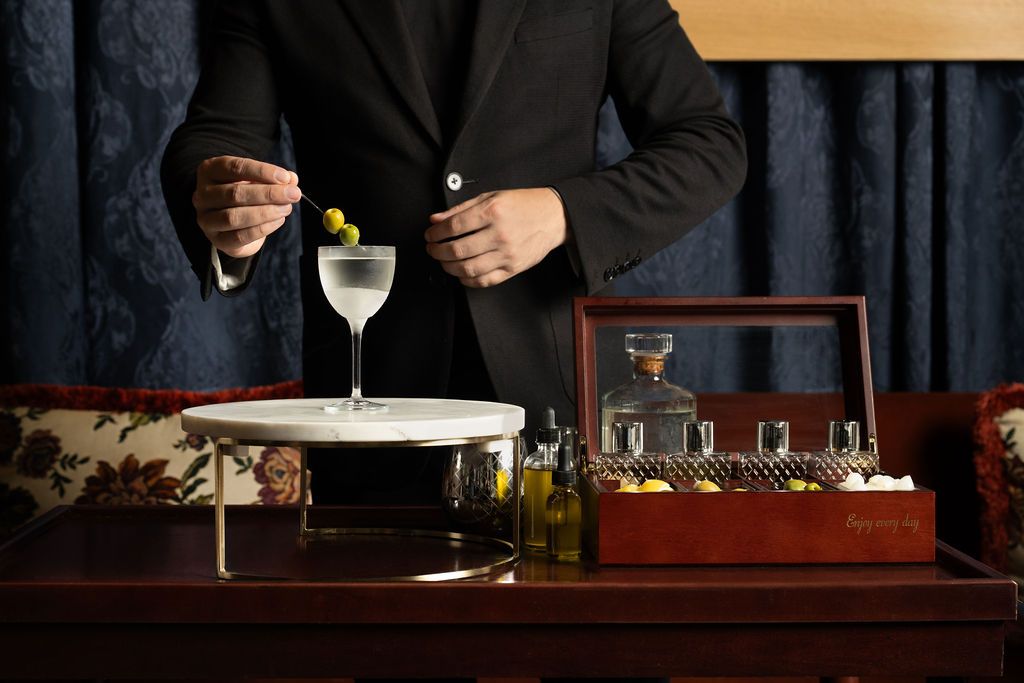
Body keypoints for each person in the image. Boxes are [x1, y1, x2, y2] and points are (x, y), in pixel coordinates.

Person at [161, 0, 746, 503]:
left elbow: (708, 143)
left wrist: (562, 212)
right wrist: (224, 202)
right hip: (367, 411)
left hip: (557, 408)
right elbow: (217, 137)